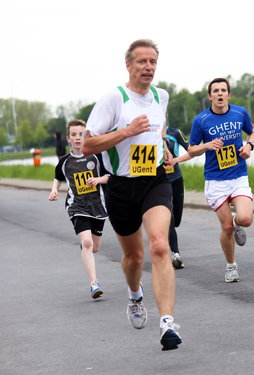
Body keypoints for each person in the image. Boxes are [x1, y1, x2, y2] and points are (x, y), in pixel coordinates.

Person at [82, 39, 182, 351]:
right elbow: (88, 145)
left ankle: (167, 322)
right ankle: (135, 294)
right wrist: (126, 131)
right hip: (122, 186)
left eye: (153, 61)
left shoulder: (161, 96)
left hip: (155, 180)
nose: (148, 67)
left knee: (159, 246)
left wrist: (163, 149)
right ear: (129, 65)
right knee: (134, 257)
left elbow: (159, 128)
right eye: (142, 62)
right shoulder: (114, 99)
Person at [188, 77, 254, 283]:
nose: (219, 94)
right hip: (215, 180)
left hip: (238, 176)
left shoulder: (240, 112)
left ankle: (238, 224)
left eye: (223, 90)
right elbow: (192, 149)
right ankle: (231, 265)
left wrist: (249, 146)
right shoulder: (201, 120)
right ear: (210, 96)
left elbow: (252, 132)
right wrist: (206, 146)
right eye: (215, 91)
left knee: (245, 219)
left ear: (228, 94)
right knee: (225, 228)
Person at [48, 119, 109, 300]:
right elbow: (57, 177)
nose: (77, 138)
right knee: (88, 242)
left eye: (81, 134)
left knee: (94, 247)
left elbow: (110, 176)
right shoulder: (65, 161)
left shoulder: (97, 157)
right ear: (68, 138)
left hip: (98, 206)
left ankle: (86, 245)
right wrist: (53, 190)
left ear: (86, 136)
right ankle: (94, 284)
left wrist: (99, 180)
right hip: (77, 206)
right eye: (73, 135)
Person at [164, 125, 192, 269]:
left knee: (176, 220)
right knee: (169, 219)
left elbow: (191, 150)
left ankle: (164, 232)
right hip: (160, 182)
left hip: (176, 178)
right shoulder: (148, 133)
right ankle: (175, 254)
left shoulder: (175, 132)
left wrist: (176, 160)